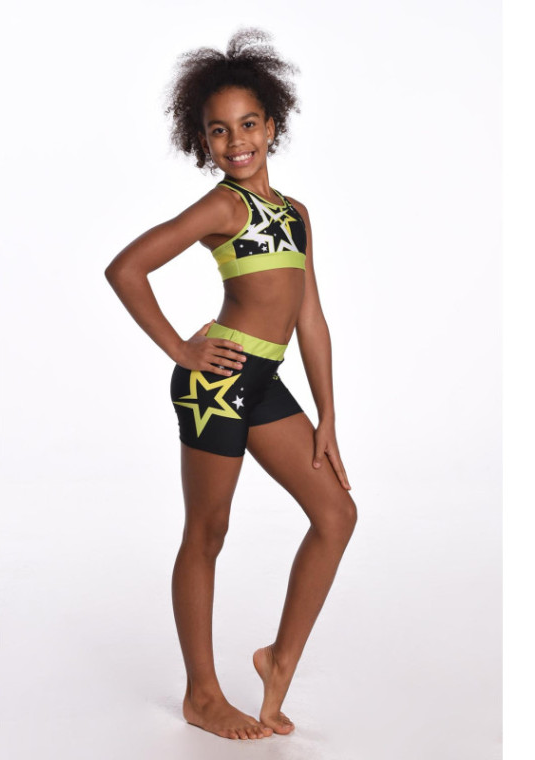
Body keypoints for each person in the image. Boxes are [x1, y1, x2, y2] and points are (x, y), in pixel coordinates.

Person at [105, 28, 358, 741]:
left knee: (337, 515)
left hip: (264, 381)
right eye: (219, 130)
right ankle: (202, 695)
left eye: (248, 124)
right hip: (215, 384)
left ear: (273, 125)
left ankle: (279, 661)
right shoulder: (223, 209)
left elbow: (310, 318)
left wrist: (328, 417)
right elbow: (126, 269)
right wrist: (182, 350)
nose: (236, 141)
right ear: (203, 141)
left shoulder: (295, 215)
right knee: (208, 531)